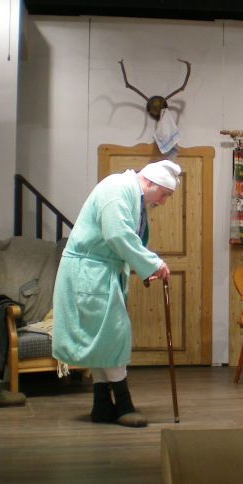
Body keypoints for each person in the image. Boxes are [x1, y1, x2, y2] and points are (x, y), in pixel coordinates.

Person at [52, 159, 181, 428]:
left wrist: (143, 266)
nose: (163, 201)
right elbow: (117, 234)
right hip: (89, 271)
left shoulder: (131, 194)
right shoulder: (117, 188)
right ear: (151, 183)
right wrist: (153, 263)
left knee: (101, 339)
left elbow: (124, 239)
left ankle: (101, 405)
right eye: (165, 194)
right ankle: (123, 404)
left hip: (98, 271)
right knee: (113, 335)